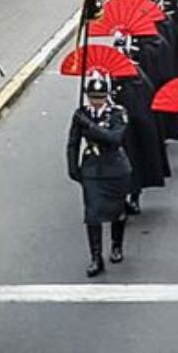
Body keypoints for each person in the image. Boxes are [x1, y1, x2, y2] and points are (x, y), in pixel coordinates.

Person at [66, 74, 132, 278]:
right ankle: (96, 257)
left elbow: (114, 139)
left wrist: (89, 125)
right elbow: (73, 141)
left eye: (100, 97)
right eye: (93, 97)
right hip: (93, 168)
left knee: (118, 210)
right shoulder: (81, 114)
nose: (97, 101)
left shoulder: (118, 113)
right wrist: (72, 166)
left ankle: (116, 245)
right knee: (92, 214)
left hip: (115, 168)